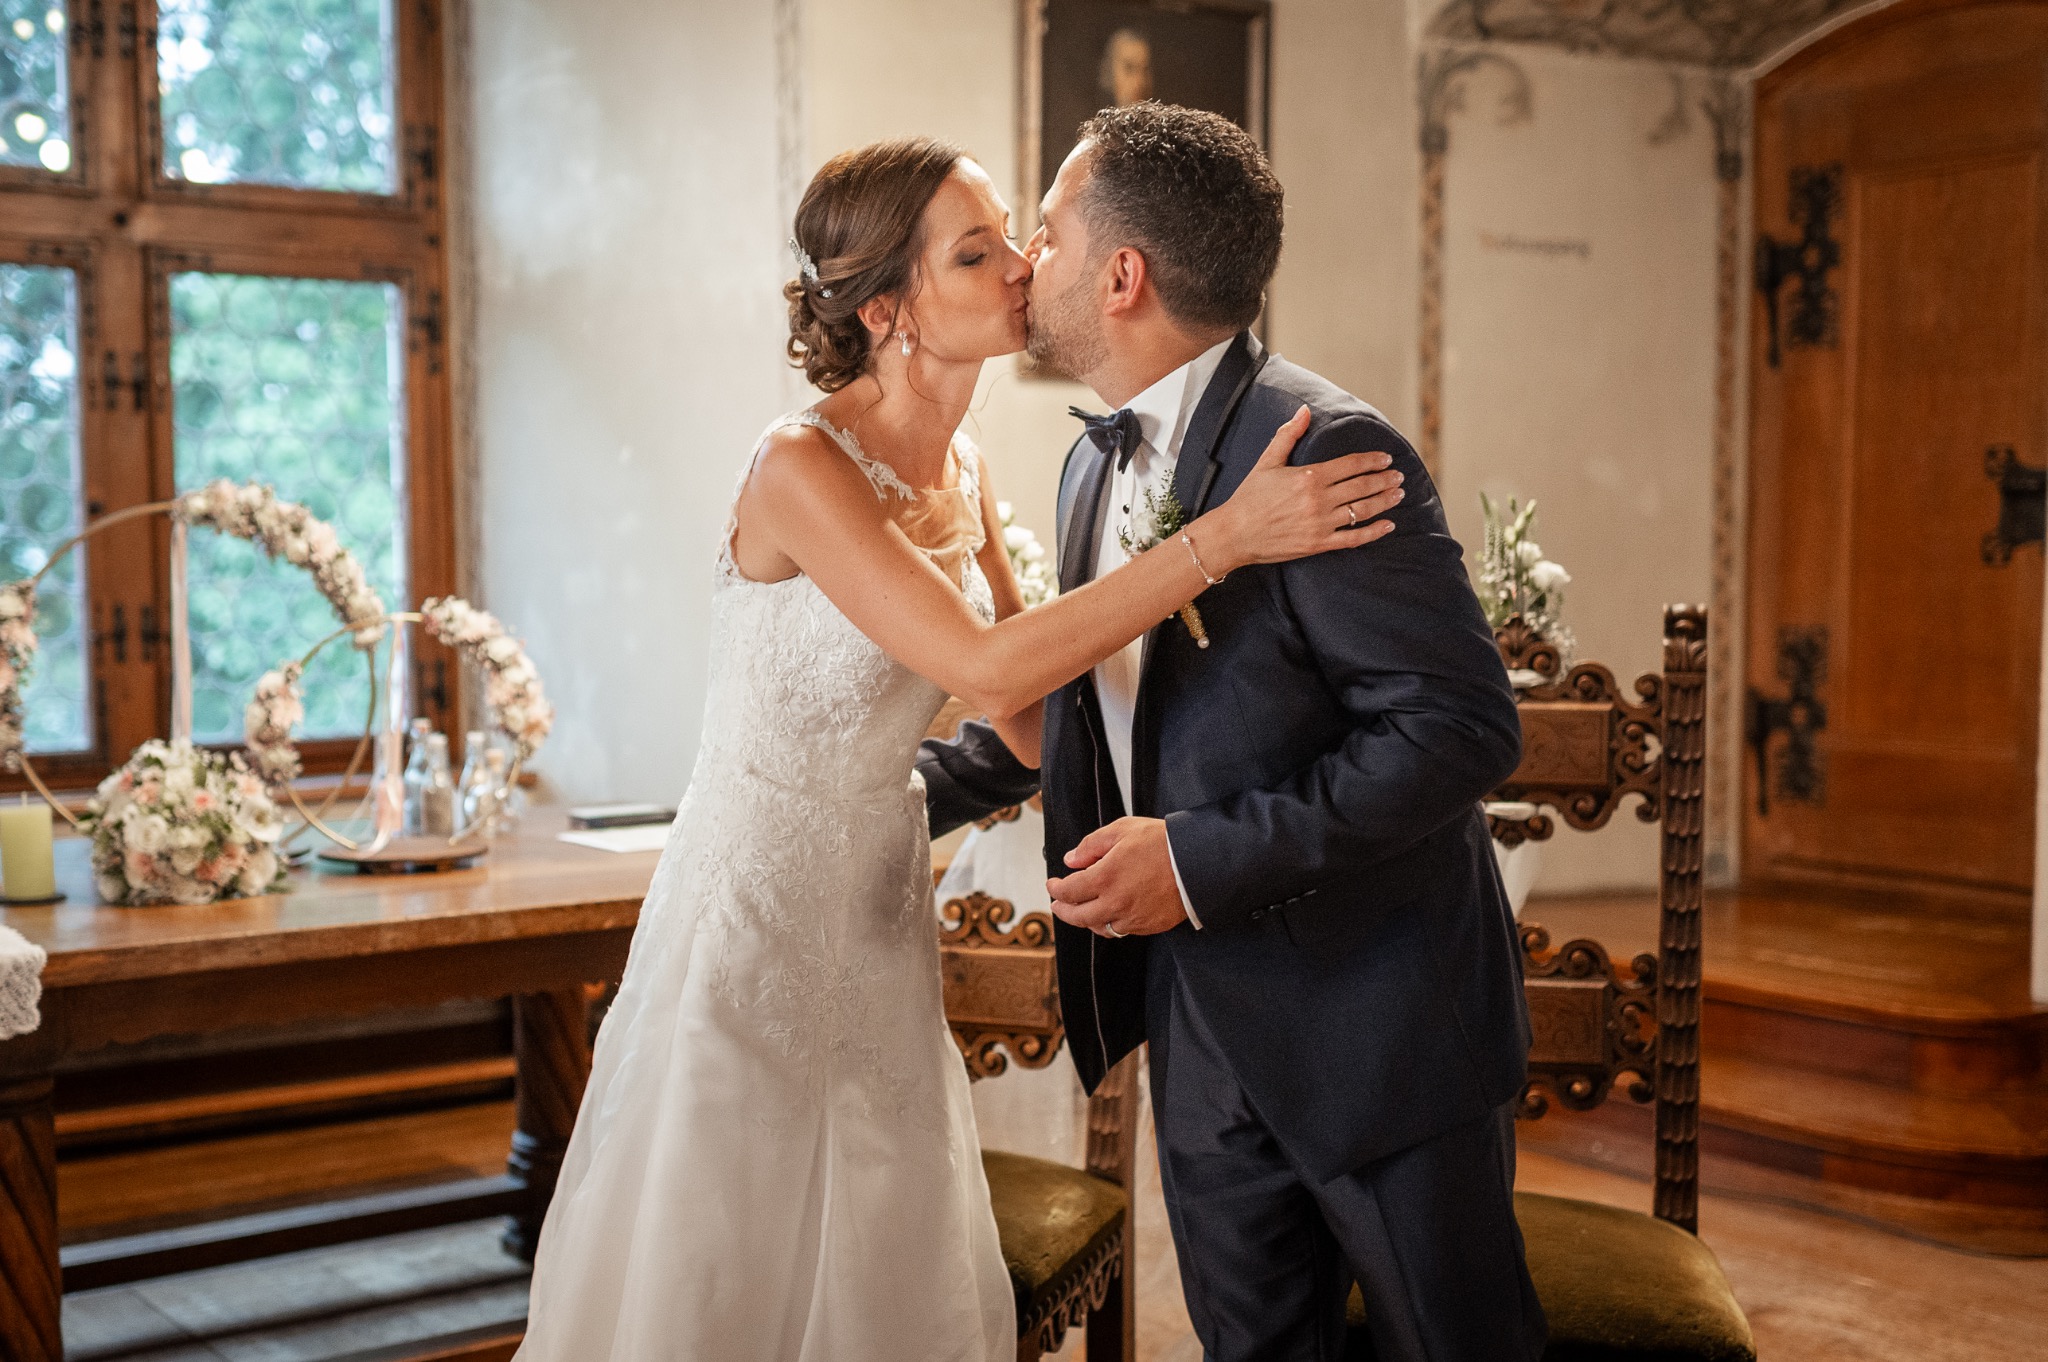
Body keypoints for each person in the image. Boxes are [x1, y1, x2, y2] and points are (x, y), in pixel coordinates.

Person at [512, 135, 1405, 1361]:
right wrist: (1220, 544)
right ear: (888, 306)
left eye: (1016, 235)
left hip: (878, 908)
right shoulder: (798, 468)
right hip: (755, 908)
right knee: (726, 1252)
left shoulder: (973, 470)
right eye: (978, 249)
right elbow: (982, 663)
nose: (1027, 262)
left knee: (878, 1246)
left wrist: (1192, 715)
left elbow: (1027, 722)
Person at [920, 103, 1546, 1362]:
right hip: (1201, 1027)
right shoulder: (1089, 466)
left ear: (1122, 274)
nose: (1026, 262)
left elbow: (1457, 730)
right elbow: (1103, 709)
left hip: (1376, 1031)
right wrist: (872, 797)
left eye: (1041, 231)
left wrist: (1196, 859)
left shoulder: (1321, 447)